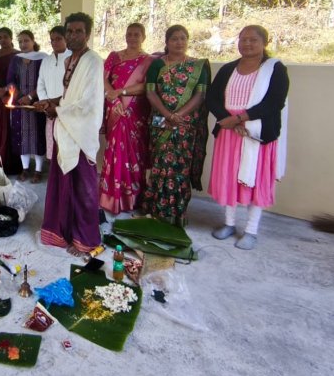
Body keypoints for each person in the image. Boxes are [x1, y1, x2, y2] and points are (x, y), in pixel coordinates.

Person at [207, 25, 289, 250]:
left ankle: (251, 230)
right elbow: (212, 98)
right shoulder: (228, 69)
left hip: (257, 133)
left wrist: (241, 118)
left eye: (253, 40)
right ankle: (229, 223)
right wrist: (228, 119)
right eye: (243, 39)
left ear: (264, 42)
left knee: (255, 180)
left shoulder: (275, 69)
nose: (247, 44)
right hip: (230, 133)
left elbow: (275, 102)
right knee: (229, 177)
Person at [38, 13, 104, 255]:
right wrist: (50, 102)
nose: (73, 36)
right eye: (70, 31)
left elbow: (87, 103)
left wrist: (57, 109)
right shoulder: (70, 62)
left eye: (79, 31)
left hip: (81, 132)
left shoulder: (94, 62)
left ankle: (85, 239)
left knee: (83, 189)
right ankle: (61, 232)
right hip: (65, 128)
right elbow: (68, 97)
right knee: (62, 185)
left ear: (87, 34)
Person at [140, 25, 211, 225]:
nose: (179, 42)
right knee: (159, 165)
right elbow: (150, 92)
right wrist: (167, 114)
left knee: (179, 168)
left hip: (185, 124)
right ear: (167, 42)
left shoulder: (198, 66)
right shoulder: (157, 65)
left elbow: (200, 95)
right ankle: (154, 209)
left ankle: (176, 214)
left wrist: (178, 115)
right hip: (160, 122)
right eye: (174, 39)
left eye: (183, 38)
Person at [99, 23, 153, 215]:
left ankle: (132, 197)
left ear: (143, 36)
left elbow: (147, 86)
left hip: (135, 112)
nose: (132, 37)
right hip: (114, 107)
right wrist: (113, 97)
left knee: (133, 153)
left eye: (136, 34)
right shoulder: (114, 56)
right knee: (114, 151)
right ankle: (111, 196)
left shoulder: (149, 60)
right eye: (129, 34)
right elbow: (103, 78)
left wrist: (121, 91)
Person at [7, 30, 48, 183]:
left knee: (38, 137)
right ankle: (25, 169)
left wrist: (30, 96)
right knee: (21, 137)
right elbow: (10, 80)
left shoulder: (42, 58)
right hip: (20, 105)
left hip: (37, 103)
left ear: (33, 41)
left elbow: (44, 81)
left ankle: (38, 171)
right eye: (20, 42)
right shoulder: (15, 60)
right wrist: (16, 93)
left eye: (26, 40)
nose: (23, 44)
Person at [0, 27, 21, 175]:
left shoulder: (19, 55)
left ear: (11, 38)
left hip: (13, 95)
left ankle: (14, 165)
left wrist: (6, 90)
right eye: (0, 37)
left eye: (5, 37)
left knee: (12, 128)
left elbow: (21, 78)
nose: (2, 40)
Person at [36, 25, 70, 164]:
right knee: (52, 145)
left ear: (66, 39)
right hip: (49, 110)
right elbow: (41, 84)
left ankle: (66, 182)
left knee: (66, 148)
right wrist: (46, 103)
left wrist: (58, 105)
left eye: (58, 39)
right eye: (52, 40)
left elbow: (73, 87)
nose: (55, 42)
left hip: (66, 109)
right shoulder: (46, 60)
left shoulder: (72, 59)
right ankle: (53, 179)